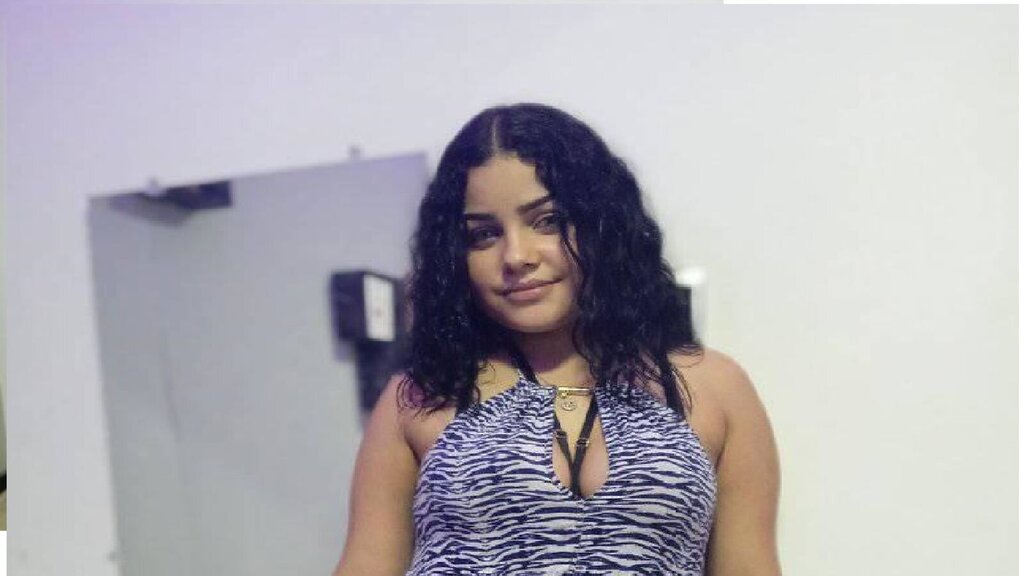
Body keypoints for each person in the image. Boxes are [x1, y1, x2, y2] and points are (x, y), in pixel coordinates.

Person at [332, 103, 781, 575]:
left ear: (602, 223)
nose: (516, 256)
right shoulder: (417, 397)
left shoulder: (715, 389)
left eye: (546, 220)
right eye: (484, 235)